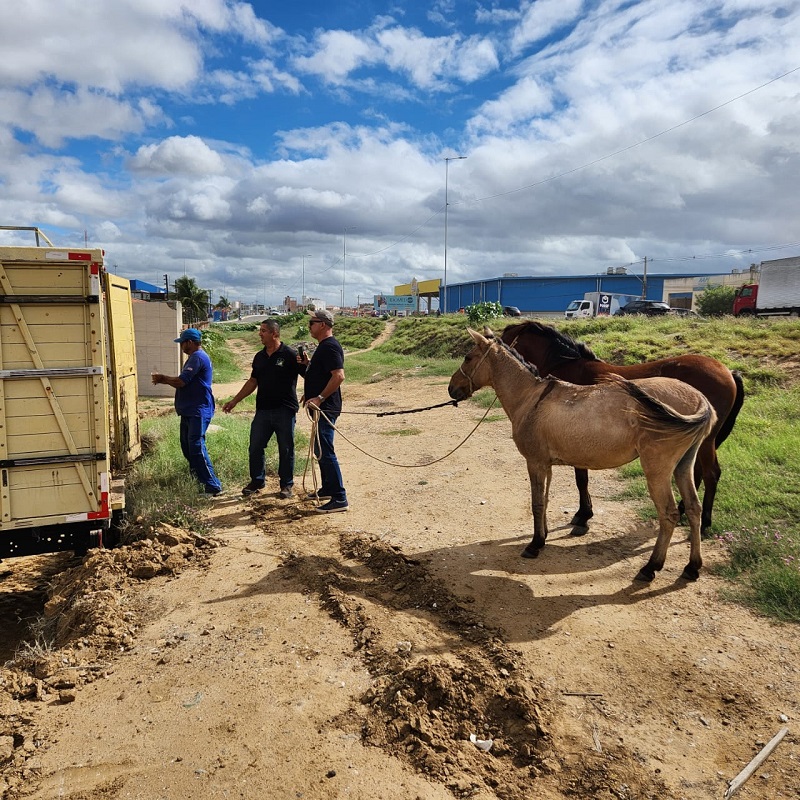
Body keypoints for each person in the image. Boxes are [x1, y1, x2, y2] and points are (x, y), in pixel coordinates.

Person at [222, 319, 301, 498]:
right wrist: (234, 401)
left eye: (264, 331)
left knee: (286, 448)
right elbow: (253, 381)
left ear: (274, 333)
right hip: (263, 411)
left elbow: (307, 374)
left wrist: (313, 395)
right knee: (255, 446)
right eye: (260, 330)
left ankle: (286, 485)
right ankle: (257, 480)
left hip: (285, 410)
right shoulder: (259, 357)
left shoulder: (289, 354)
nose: (260, 334)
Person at [152, 328, 222, 497]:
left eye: (182, 343)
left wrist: (162, 379)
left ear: (189, 342)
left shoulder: (197, 357)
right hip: (190, 410)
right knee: (187, 447)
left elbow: (181, 382)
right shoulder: (194, 358)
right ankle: (198, 479)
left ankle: (212, 485)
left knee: (196, 447)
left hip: (198, 410)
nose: (181, 346)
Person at [298, 309, 348, 513]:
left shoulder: (330, 347)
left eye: (312, 322)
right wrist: (308, 366)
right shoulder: (323, 347)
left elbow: (339, 376)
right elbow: (323, 374)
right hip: (319, 406)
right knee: (320, 449)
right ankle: (328, 487)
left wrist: (319, 397)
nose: (309, 325)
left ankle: (339, 497)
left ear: (323, 325)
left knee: (326, 450)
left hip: (326, 407)